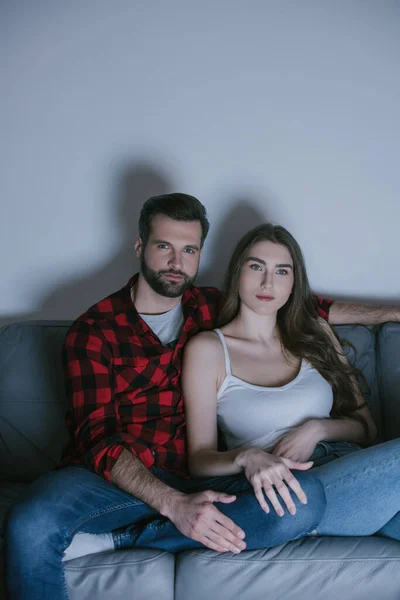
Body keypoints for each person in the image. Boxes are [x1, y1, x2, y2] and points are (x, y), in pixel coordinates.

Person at [4, 194, 399, 600]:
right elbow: (100, 438)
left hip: (208, 479)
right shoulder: (94, 331)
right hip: (118, 478)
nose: (176, 261)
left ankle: (133, 537)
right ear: (140, 247)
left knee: (302, 500)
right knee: (30, 523)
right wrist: (173, 504)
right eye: (164, 246)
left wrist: (391, 314)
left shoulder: (208, 306)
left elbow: (302, 304)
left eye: (188, 249)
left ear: (200, 254)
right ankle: (142, 530)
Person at [182, 222, 400, 539]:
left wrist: (316, 429)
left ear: (294, 283)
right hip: (294, 491)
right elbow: (199, 461)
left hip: (354, 470)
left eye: (282, 271)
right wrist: (247, 456)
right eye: (256, 267)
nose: (268, 282)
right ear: (237, 273)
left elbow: (367, 427)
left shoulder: (316, 332)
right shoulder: (209, 350)